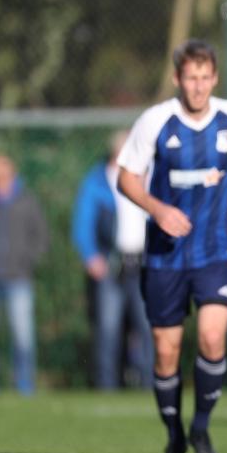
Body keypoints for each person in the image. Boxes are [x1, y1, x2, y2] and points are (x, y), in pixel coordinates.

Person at [117, 39, 227, 453]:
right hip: (165, 254)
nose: (197, 87)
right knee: (166, 352)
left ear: (214, 78)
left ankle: (201, 427)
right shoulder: (155, 122)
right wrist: (158, 209)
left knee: (212, 336)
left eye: (205, 77)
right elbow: (127, 178)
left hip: (216, 246)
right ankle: (174, 436)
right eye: (190, 78)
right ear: (177, 78)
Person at [72, 130, 154, 391]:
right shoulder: (97, 181)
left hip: (143, 264)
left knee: (148, 328)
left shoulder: (149, 178)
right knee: (108, 329)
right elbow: (83, 224)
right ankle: (107, 385)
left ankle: (151, 383)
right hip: (112, 265)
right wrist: (91, 256)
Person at [0, 155, 48, 396]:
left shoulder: (26, 200)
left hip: (18, 277)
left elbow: (40, 236)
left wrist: (27, 260)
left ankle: (25, 386)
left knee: (22, 337)